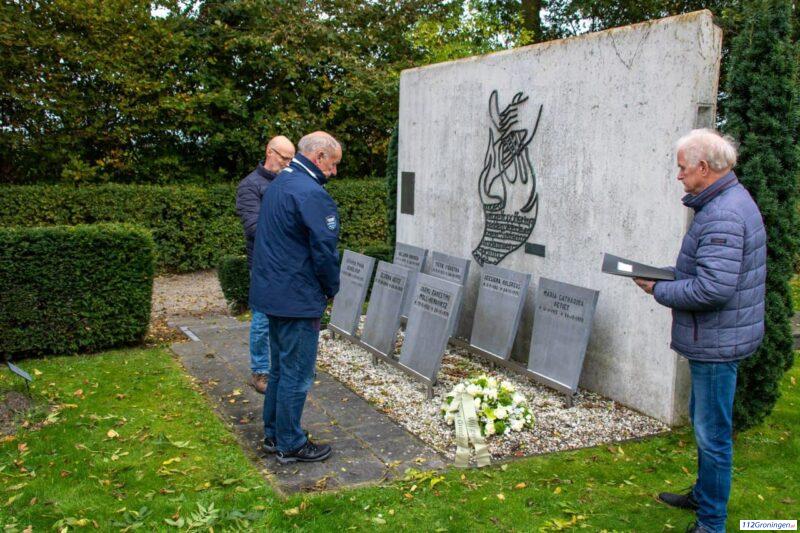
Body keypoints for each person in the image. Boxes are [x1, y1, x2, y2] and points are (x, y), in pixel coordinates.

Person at [633, 129, 766, 533]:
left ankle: (711, 523)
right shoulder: (724, 202)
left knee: (712, 436)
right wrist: (666, 275)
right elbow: (709, 272)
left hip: (716, 342)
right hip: (715, 337)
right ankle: (704, 496)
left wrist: (659, 289)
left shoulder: (723, 213)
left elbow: (713, 289)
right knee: (704, 424)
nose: (679, 176)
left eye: (682, 168)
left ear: (704, 168)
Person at [250, 131, 342, 464]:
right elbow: (324, 250)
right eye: (332, 164)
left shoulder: (279, 183)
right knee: (297, 373)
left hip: (274, 293)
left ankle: (274, 433)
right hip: (297, 297)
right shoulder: (310, 193)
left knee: (279, 369)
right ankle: (290, 442)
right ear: (319, 156)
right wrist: (331, 288)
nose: (333, 172)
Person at [236, 135, 296, 394]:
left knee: (286, 316)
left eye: (292, 159)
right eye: (284, 158)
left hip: (289, 262)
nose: (288, 163)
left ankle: (281, 367)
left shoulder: (290, 182)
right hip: (263, 263)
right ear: (269, 152)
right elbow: (254, 227)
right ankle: (260, 371)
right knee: (262, 319)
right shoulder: (250, 185)